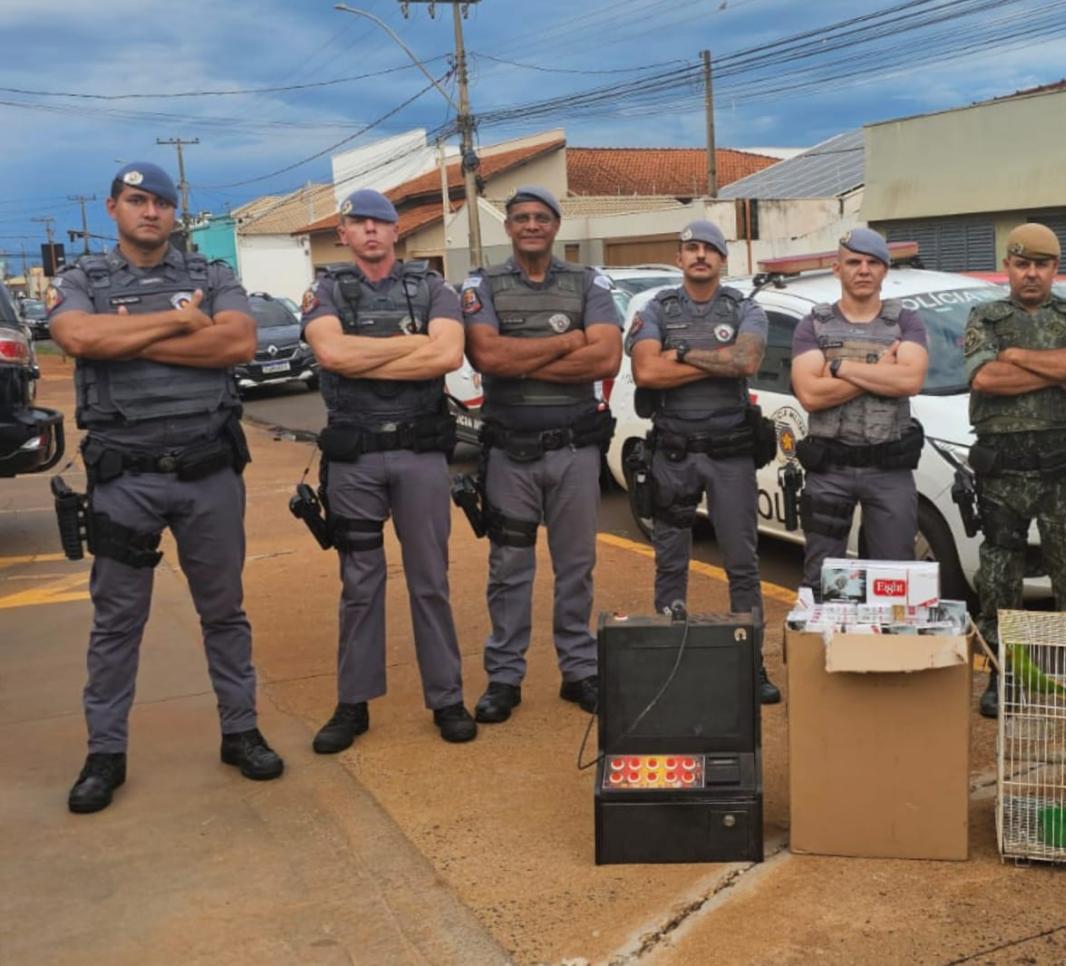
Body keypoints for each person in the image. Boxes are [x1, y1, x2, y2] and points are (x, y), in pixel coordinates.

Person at [48, 162, 281, 813]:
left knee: (224, 611)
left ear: (176, 213)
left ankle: (241, 731)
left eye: (161, 202)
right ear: (113, 207)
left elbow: (236, 342)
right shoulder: (83, 278)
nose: (150, 211)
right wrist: (180, 324)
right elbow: (75, 335)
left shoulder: (210, 275)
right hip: (127, 478)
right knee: (118, 620)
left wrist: (125, 340)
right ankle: (105, 753)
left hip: (208, 474)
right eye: (136, 200)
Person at [300, 188, 475, 752]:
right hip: (354, 459)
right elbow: (332, 357)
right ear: (343, 234)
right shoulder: (324, 290)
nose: (371, 231)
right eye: (359, 223)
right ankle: (353, 703)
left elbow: (447, 355)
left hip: (420, 454)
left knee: (431, 582)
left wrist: (364, 352)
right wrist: (409, 345)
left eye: (381, 222)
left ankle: (447, 697)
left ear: (396, 231)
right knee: (359, 585)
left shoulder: (432, 287)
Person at [462, 186, 622, 724]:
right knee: (509, 568)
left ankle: (579, 670)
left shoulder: (588, 282)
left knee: (576, 566)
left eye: (542, 217)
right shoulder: (483, 283)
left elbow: (607, 356)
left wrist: (519, 358)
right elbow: (485, 353)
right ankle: (505, 677)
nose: (532, 225)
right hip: (511, 455)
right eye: (521, 218)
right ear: (508, 227)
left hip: (574, 450)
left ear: (557, 226)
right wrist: (564, 342)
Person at [626, 219, 780, 703]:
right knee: (671, 562)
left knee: (742, 563)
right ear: (679, 257)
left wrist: (683, 352)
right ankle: (672, 657)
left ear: (722, 259)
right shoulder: (657, 308)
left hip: (729, 455)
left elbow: (747, 362)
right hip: (673, 453)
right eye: (691, 247)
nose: (700, 255)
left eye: (709, 249)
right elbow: (646, 370)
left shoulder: (744, 308)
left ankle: (749, 664)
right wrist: (715, 357)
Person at [963, 223, 1066, 719]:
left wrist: (1017, 355)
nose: (1031, 273)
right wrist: (1055, 369)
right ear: (1008, 266)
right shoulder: (986, 315)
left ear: (1054, 268)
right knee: (1001, 576)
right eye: (1022, 264)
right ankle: (1004, 677)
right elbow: (984, 377)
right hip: (1003, 472)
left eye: (1041, 264)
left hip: (1064, 473)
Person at [789, 228, 929, 592]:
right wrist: (881, 369)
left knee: (896, 581)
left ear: (885, 270)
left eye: (873, 263)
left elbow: (910, 380)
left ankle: (884, 650)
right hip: (830, 470)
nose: (863, 270)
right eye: (854, 262)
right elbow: (810, 394)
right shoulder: (814, 324)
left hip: (888, 470)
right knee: (823, 579)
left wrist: (840, 367)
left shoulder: (906, 322)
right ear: (838, 269)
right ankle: (826, 646)